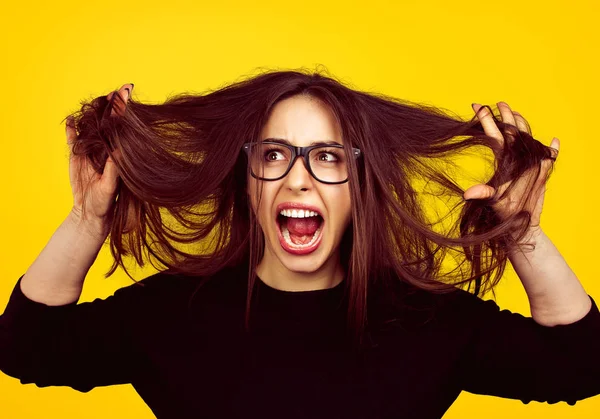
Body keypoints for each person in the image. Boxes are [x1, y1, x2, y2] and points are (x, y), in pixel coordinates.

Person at [1, 70, 599, 419]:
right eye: (276, 154)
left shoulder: (427, 321)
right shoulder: (172, 314)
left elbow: (580, 364)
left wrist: (521, 233)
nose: (298, 177)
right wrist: (87, 219)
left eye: (329, 156)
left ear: (359, 183)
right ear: (249, 177)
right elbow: (24, 348)